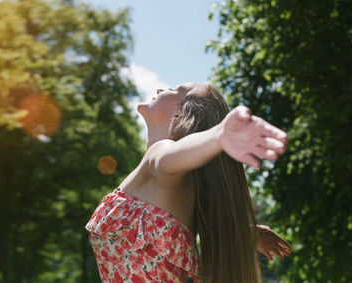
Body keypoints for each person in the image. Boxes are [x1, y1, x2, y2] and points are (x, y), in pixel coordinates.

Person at [85, 83, 292, 283]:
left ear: (181, 114)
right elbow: (207, 225)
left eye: (174, 90)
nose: (160, 89)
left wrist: (220, 135)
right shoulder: (183, 185)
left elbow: (166, 159)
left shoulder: (160, 155)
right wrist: (249, 232)